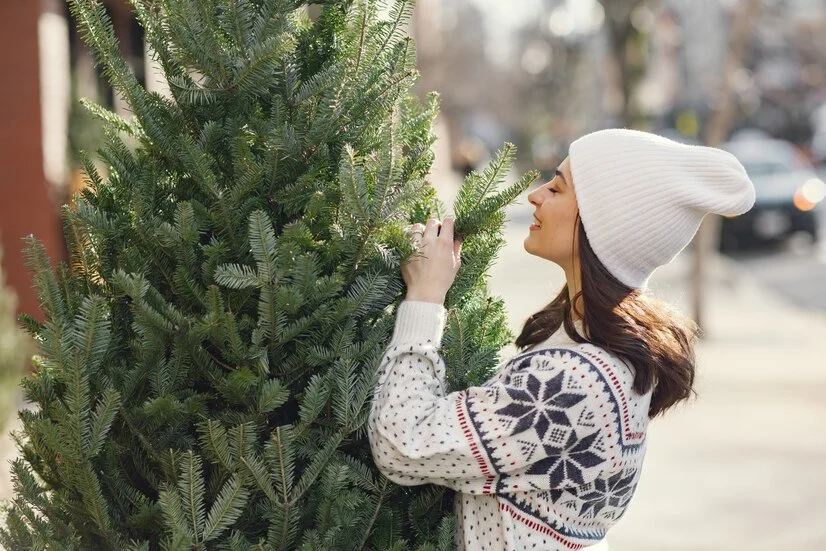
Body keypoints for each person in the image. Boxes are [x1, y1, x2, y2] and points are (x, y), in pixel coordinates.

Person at [367, 129, 756, 550]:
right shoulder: (602, 349)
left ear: (600, 224)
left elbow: (403, 442)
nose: (535, 195)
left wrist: (425, 298)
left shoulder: (575, 382)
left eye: (557, 188)